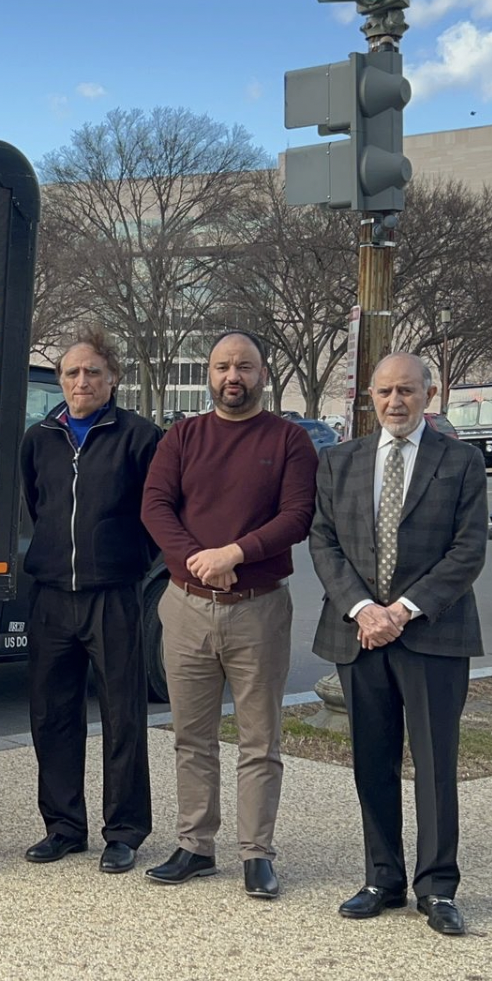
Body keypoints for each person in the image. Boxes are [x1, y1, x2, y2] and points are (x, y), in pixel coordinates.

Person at [307, 352, 486, 937]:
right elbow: (324, 543)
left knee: (435, 766)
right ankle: (381, 878)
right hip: (359, 635)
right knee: (371, 762)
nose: (395, 402)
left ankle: (437, 889)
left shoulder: (460, 462)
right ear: (371, 398)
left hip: (432, 634)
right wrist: (363, 609)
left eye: (406, 391)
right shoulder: (339, 461)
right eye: (384, 392)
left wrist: (401, 612)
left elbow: (466, 553)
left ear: (428, 395)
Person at [139, 330, 317, 898]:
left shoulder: (289, 440)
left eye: (243, 366)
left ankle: (256, 853)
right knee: (191, 735)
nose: (231, 376)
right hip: (187, 606)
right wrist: (197, 559)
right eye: (221, 366)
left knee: (259, 739)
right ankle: (195, 844)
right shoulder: (183, 436)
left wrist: (235, 553)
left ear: (263, 373)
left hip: (258, 609)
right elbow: (155, 506)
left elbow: (297, 515)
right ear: (209, 374)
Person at [18, 331, 162, 874]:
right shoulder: (40, 439)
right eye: (73, 373)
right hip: (53, 594)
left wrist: (127, 559)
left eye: (94, 372)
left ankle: (123, 830)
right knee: (52, 714)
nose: (82, 382)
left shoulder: (141, 437)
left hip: (114, 595)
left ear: (113, 379)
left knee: (123, 715)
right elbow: (37, 502)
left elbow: (157, 511)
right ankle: (63, 826)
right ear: (60, 380)